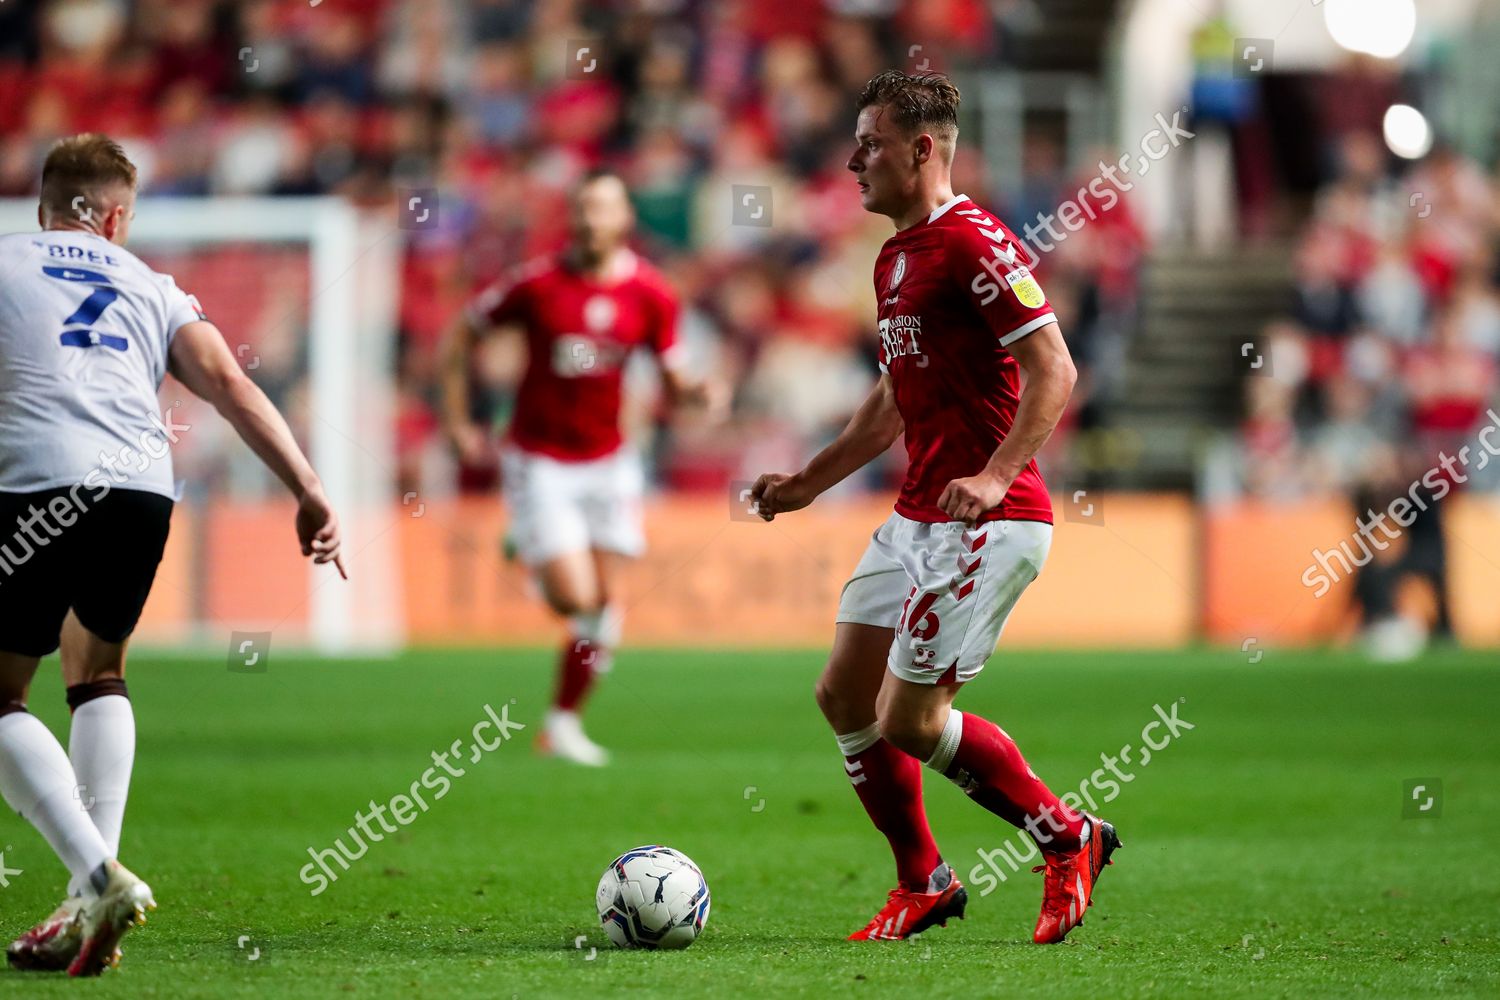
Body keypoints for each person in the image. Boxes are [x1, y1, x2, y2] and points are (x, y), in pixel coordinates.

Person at [750, 71, 1120, 944]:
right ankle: (925, 881)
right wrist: (807, 482)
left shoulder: (976, 244)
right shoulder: (894, 256)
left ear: (922, 149)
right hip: (917, 516)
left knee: (907, 720)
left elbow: (1056, 370)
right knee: (843, 693)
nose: (852, 160)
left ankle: (1068, 835)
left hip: (987, 521)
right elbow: (890, 402)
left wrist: (994, 476)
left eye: (869, 144)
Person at [0, 134, 347, 976]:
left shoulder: (6, 262)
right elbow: (229, 385)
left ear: (42, 205)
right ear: (116, 216)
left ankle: (97, 874)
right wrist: (306, 484)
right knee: (98, 672)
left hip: (36, 482)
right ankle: (90, 898)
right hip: (139, 489)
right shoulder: (151, 284)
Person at [442, 169, 715, 766]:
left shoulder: (650, 293)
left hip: (610, 460)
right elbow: (463, 332)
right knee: (575, 599)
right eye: (584, 209)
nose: (593, 220)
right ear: (574, 217)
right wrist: (461, 420)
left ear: (624, 220)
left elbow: (674, 371)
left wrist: (698, 393)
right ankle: (533, 548)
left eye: (605, 209)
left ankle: (562, 722)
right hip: (540, 460)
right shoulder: (537, 286)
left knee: (605, 606)